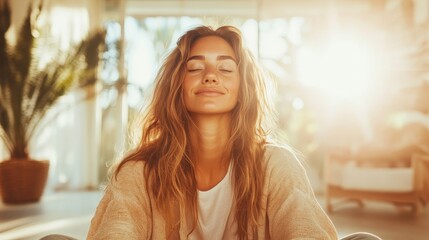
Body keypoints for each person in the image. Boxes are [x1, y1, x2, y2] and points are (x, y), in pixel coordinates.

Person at [84, 25, 381, 240]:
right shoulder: (139, 170)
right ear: (177, 85)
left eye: (225, 69)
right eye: (195, 67)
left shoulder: (275, 163)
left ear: (243, 90)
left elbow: (302, 228)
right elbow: (117, 230)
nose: (210, 75)